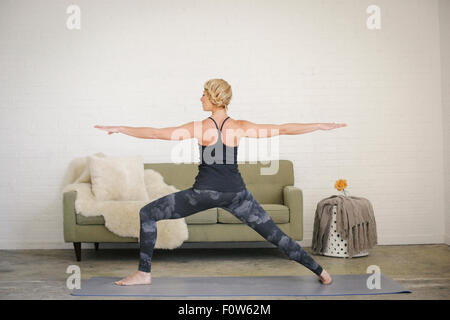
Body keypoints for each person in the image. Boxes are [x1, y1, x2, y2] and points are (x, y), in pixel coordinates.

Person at [94, 78, 347, 286]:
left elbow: (155, 133)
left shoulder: (199, 127)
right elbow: (282, 128)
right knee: (277, 237)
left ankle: (143, 273)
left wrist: (120, 128)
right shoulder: (239, 126)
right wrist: (319, 125)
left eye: (204, 94)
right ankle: (321, 272)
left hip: (203, 194)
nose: (201, 98)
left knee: (147, 213)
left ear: (214, 98)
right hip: (237, 195)